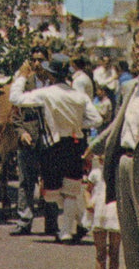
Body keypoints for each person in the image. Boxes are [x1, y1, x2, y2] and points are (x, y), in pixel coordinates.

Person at [86, 26, 139, 269]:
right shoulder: (131, 88)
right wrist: (93, 145)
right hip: (125, 168)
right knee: (133, 253)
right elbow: (117, 126)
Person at [9, 53, 102, 244]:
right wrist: (77, 124)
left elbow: (16, 98)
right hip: (75, 144)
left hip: (53, 145)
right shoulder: (80, 96)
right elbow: (97, 119)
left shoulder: (47, 93)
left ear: (51, 75)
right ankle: (81, 221)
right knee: (70, 189)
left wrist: (21, 77)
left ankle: (67, 232)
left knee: (54, 192)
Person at [9, 46, 56, 236]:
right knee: (26, 182)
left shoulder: (55, 84)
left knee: (51, 182)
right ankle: (24, 220)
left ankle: (51, 223)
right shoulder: (24, 84)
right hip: (28, 140)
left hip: (51, 139)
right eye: (34, 59)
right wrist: (21, 132)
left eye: (41, 59)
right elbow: (15, 115)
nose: (37, 63)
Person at [84, 155, 121, 269]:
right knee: (100, 252)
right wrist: (88, 203)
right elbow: (87, 190)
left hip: (115, 214)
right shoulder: (95, 173)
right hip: (99, 213)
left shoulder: (119, 174)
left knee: (114, 251)